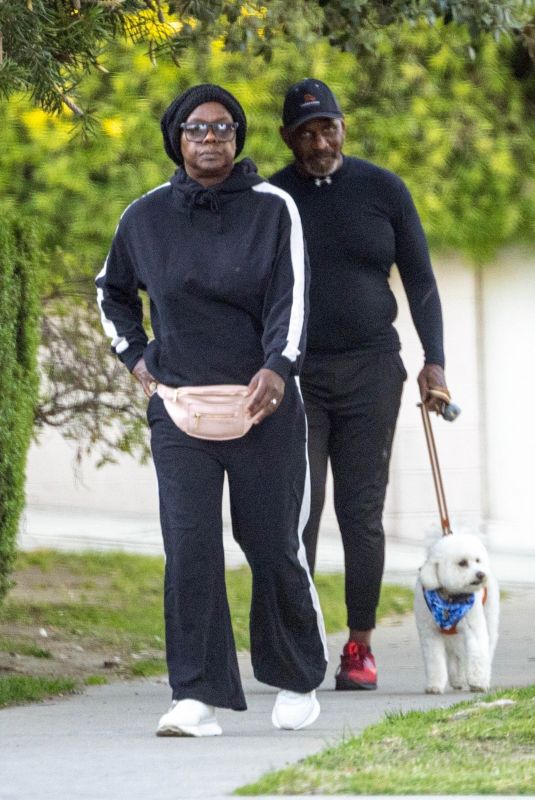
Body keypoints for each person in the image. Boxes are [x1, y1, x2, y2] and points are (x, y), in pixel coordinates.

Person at [96, 84, 328, 736]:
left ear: (238, 136)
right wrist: (135, 355)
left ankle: (294, 678)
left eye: (222, 128)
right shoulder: (143, 217)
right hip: (179, 411)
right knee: (190, 549)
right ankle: (194, 697)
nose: (209, 139)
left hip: (264, 410)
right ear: (176, 137)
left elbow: (294, 297)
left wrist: (278, 367)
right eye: (196, 129)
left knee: (271, 545)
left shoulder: (272, 208)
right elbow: (110, 292)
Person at [270, 78, 450, 692]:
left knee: (361, 514)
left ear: (343, 127)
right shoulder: (274, 197)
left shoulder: (383, 188)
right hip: (298, 374)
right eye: (306, 132)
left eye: (329, 127)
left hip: (373, 370)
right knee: (300, 512)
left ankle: (359, 646)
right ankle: (300, 643)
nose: (320, 141)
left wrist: (436, 361)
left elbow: (421, 280)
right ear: (287, 137)